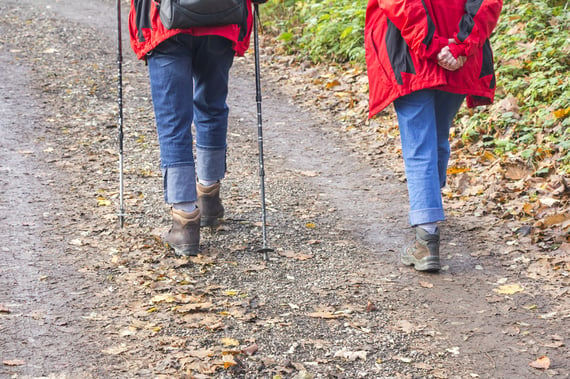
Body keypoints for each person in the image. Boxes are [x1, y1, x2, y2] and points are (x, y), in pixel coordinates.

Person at [365, 0, 503, 271]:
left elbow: (401, 4)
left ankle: (426, 236)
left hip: (410, 55)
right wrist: (460, 45)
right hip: (459, 55)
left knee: (420, 145)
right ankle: (429, 204)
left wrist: (435, 45)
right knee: (437, 138)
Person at [128, 0, 267, 256]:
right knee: (212, 106)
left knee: (173, 120)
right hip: (222, 18)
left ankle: (185, 222)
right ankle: (208, 197)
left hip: (164, 23)